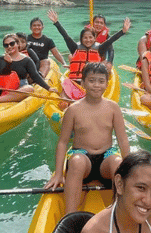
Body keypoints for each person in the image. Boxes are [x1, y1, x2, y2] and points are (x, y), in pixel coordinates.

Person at [45, 62, 131, 215]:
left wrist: (130, 169)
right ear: (83, 83)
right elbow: (63, 142)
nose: (96, 85)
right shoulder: (73, 110)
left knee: (117, 163)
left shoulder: (113, 108)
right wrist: (58, 173)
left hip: (106, 157)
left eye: (101, 81)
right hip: (83, 158)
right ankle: (69, 217)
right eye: (91, 81)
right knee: (76, 161)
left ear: (107, 83)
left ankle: (121, 215)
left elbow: (123, 140)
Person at [0, 33, 57, 115]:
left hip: (18, 88)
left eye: (12, 43)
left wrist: (48, 88)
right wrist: (8, 62)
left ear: (17, 44)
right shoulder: (1, 58)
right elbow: (3, 73)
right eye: (6, 45)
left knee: (29, 89)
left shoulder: (27, 60)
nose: (9, 46)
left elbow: (35, 76)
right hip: (1, 87)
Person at [48, 9, 131, 82]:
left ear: (94, 39)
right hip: (76, 80)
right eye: (85, 38)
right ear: (81, 39)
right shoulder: (75, 48)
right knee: (70, 56)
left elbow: (111, 41)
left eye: (90, 38)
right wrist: (56, 22)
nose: (88, 40)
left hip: (92, 81)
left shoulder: (99, 48)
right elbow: (65, 36)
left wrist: (123, 31)